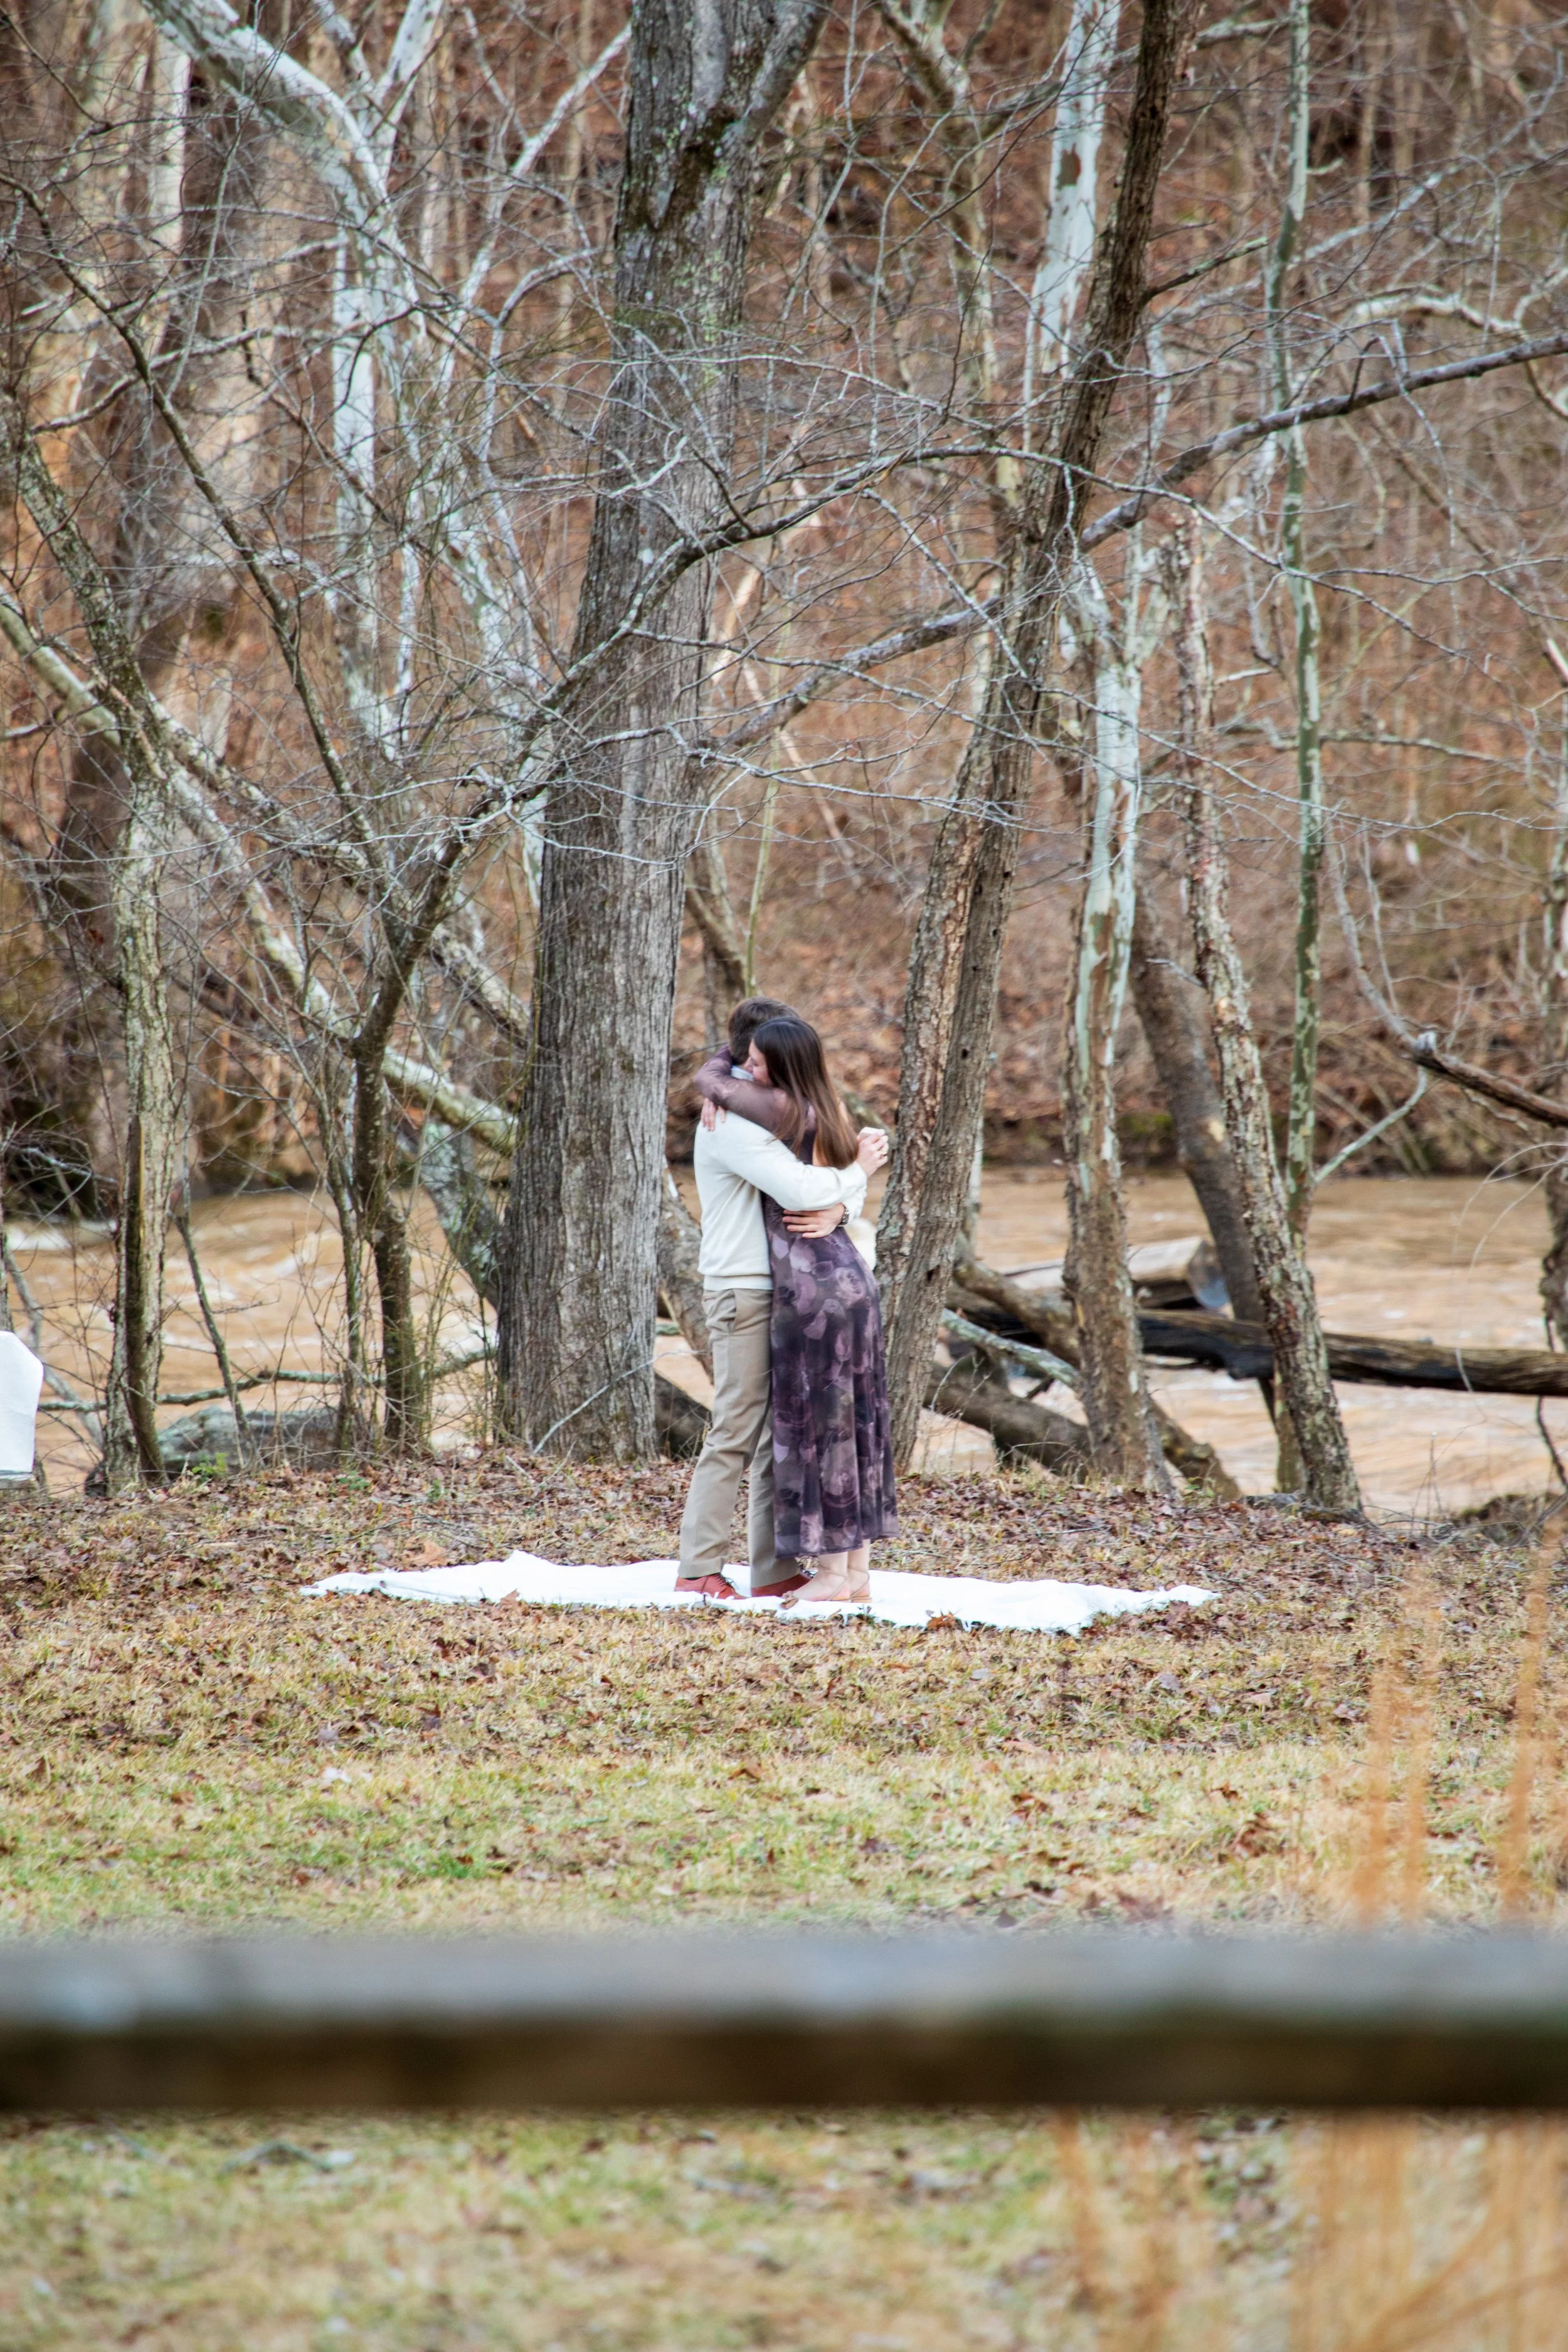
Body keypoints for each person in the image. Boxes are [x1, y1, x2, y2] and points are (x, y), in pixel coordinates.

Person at [675, 998, 888, 1602]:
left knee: (781, 1439)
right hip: (744, 1289)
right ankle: (699, 1568)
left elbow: (829, 1196)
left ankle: (773, 1570)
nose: (758, 1071)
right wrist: (860, 1174)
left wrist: (847, 1204)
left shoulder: (778, 1117)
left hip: (790, 1290)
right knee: (735, 1430)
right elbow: (801, 1189)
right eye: (754, 1059)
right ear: (746, 1060)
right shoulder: (732, 1123)